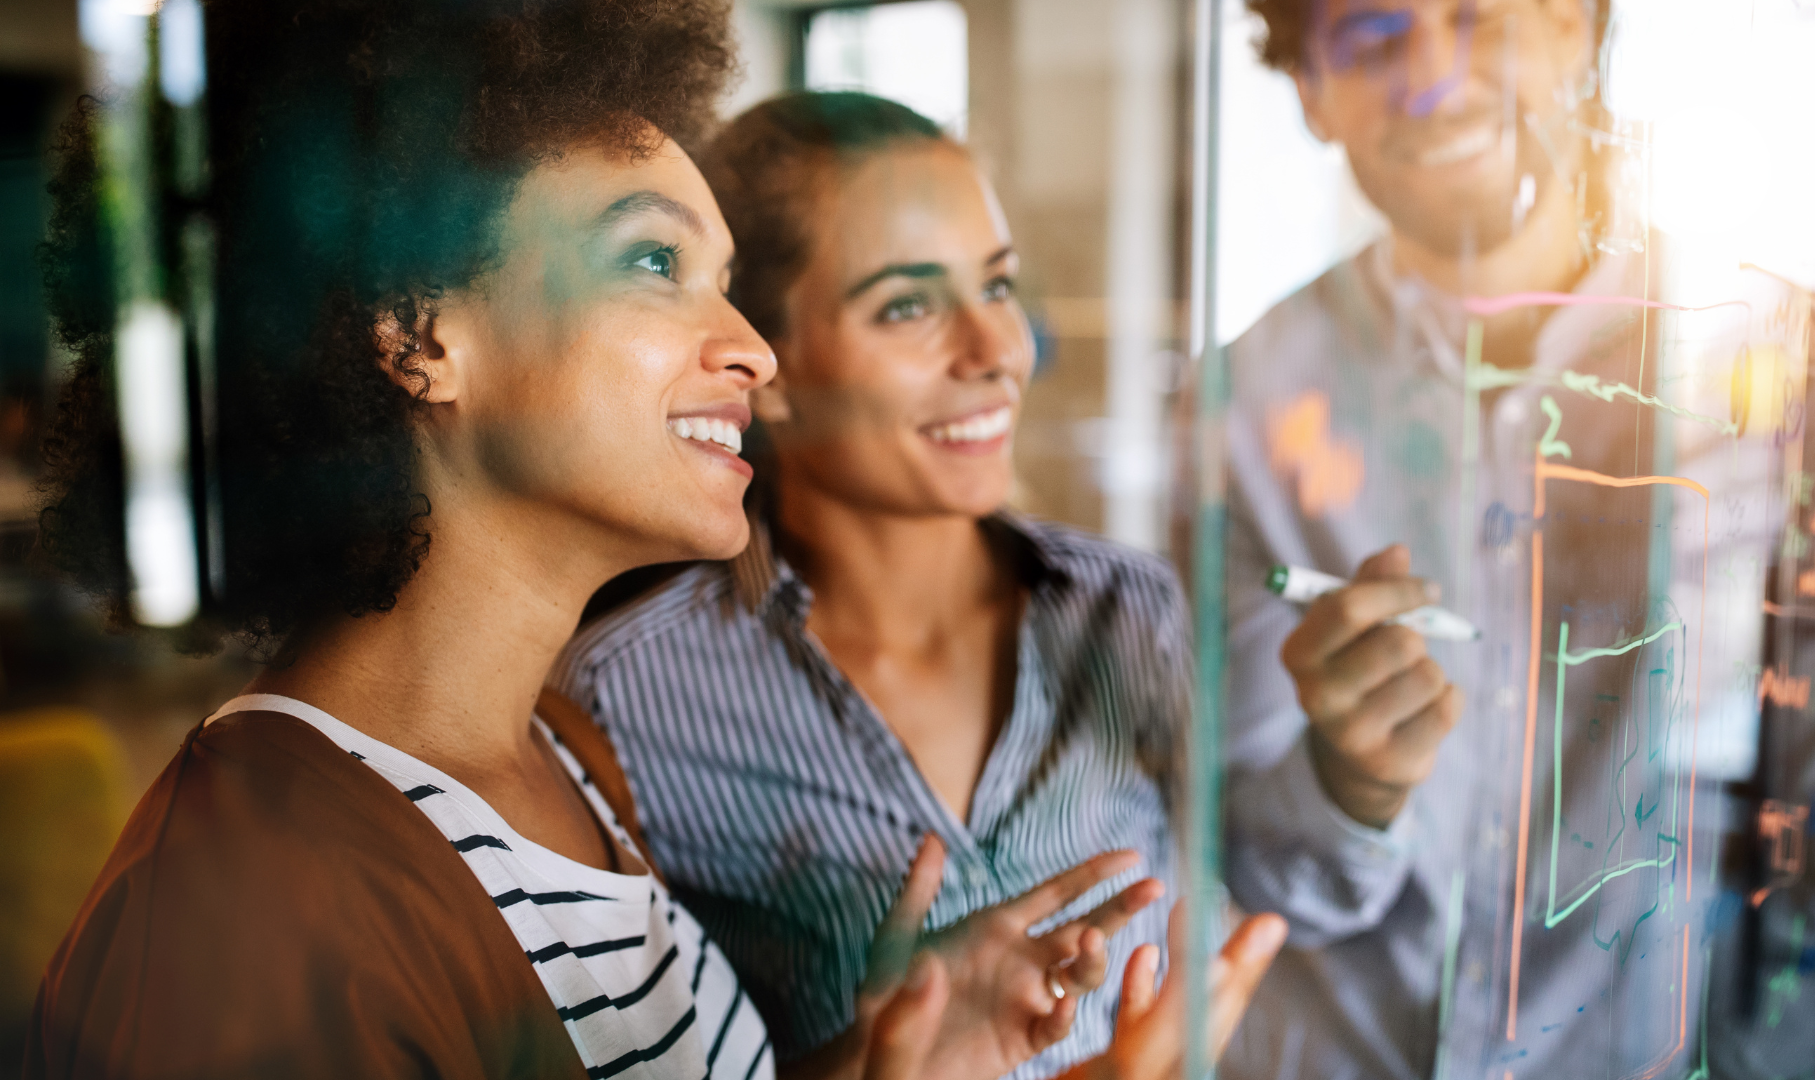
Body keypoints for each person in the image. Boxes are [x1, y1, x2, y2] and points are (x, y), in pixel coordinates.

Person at [24, 3, 1283, 1077]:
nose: (751, 347)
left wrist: (885, 1059)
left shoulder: (564, 768)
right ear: (418, 336)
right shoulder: (250, 913)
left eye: (725, 276)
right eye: (651, 260)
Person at [1215, 0, 1815, 1077]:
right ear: (1310, 91)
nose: (1433, 81)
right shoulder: (1244, 406)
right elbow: (1225, 868)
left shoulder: (1804, 375)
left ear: (1578, 28)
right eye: (1374, 38)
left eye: (1476, 16)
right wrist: (1347, 789)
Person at [552, 91, 1211, 1080]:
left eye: (998, 286)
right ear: (767, 369)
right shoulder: (617, 699)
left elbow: (1256, 906)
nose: (996, 354)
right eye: (907, 305)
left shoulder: (1133, 610)